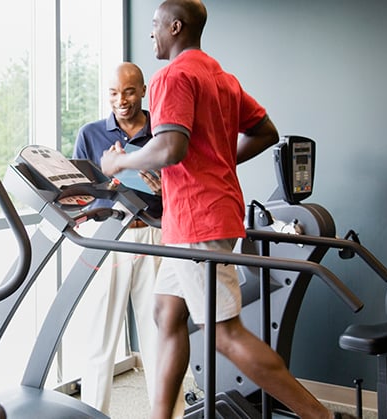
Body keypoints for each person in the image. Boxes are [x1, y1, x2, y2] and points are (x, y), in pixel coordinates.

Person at [100, 1, 355, 418]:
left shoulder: (174, 76)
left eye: (155, 26)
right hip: (194, 216)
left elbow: (170, 147)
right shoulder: (220, 77)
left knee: (225, 333)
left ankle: (319, 416)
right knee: (166, 311)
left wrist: (117, 163)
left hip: (197, 219)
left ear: (175, 26)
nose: (151, 35)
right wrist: (215, 161)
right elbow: (264, 131)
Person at [73, 62, 163, 415]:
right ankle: (94, 412)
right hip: (109, 236)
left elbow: (182, 185)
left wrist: (162, 187)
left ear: (142, 91)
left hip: (154, 236)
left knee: (159, 336)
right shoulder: (91, 133)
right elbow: (81, 189)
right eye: (113, 92)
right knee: (99, 336)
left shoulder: (163, 132)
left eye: (128, 91)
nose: (121, 100)